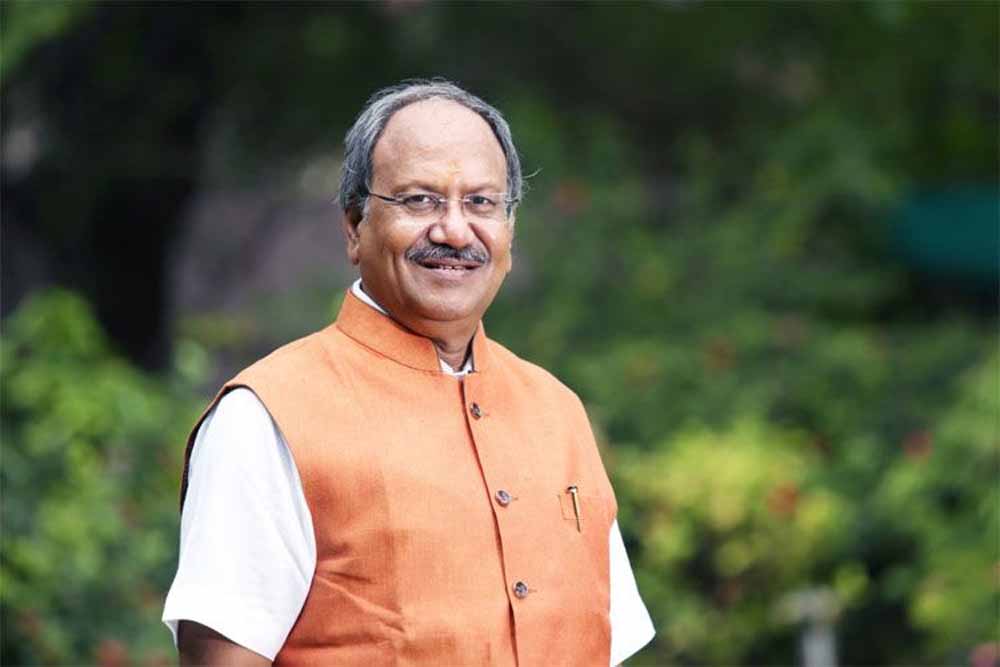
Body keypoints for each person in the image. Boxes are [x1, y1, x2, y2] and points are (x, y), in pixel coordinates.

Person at [162, 79, 655, 666]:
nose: (454, 231)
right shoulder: (266, 417)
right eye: (420, 200)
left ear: (510, 230)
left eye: (481, 202)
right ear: (355, 226)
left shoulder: (558, 413)